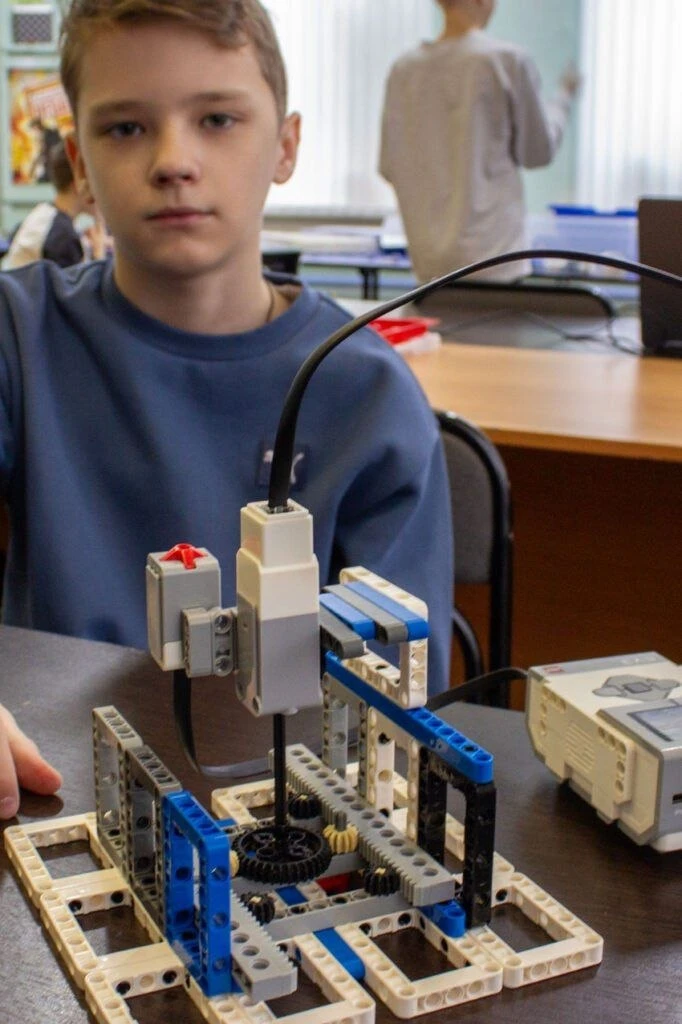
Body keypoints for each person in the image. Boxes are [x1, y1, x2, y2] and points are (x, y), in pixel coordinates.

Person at [0, 0, 453, 819]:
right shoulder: (19, 337)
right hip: (53, 789)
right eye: (125, 128)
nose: (174, 161)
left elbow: (401, 698)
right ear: (77, 161)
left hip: (288, 820)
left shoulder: (369, 397)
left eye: (216, 119)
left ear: (286, 146)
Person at [379, 0, 581, 283]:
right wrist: (563, 99)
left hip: (429, 271)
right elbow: (538, 152)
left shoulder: (403, 70)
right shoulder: (506, 61)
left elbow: (389, 166)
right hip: (495, 264)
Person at [1, 139, 107, 270]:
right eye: (98, 182)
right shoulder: (64, 236)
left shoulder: (43, 212)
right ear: (79, 183)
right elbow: (80, 283)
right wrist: (99, 254)